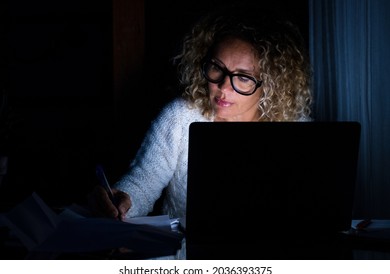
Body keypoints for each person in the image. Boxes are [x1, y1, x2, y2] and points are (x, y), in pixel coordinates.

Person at [87, 7, 313, 258]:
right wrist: (123, 199)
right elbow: (144, 179)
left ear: (270, 85)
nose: (223, 87)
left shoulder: (293, 125)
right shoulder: (181, 117)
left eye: (244, 77)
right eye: (217, 68)